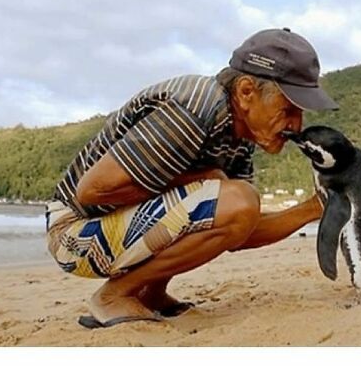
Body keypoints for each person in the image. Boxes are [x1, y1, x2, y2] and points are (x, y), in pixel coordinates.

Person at [45, 27, 338, 327]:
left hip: (110, 227)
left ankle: (151, 292)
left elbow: (237, 229)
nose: (296, 125)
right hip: (73, 233)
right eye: (288, 109)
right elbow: (91, 192)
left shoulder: (238, 137)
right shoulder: (195, 106)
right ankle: (115, 295)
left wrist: (314, 208)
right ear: (246, 92)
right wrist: (201, 179)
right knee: (230, 194)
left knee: (233, 199)